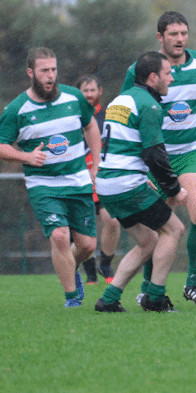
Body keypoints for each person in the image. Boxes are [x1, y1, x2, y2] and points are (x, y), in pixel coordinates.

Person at [121, 11, 196, 306]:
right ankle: (149, 287)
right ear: (160, 37)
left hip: (193, 152)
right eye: (173, 34)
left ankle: (192, 282)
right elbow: (126, 107)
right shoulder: (141, 68)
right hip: (155, 156)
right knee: (155, 226)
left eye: (184, 33)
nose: (180, 39)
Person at [0, 47, 101, 308]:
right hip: (44, 185)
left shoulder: (74, 98)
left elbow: (91, 127)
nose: (50, 75)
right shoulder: (17, 109)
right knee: (60, 237)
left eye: (53, 70)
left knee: (87, 245)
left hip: (77, 180)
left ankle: (70, 267)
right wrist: (26, 157)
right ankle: (72, 298)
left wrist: (96, 165)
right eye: (44, 71)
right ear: (31, 73)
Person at [94, 52, 188, 313]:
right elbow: (154, 155)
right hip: (125, 183)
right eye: (167, 73)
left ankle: (109, 300)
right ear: (153, 77)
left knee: (148, 240)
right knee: (174, 230)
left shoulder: (119, 99)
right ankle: (155, 298)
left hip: (107, 183)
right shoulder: (149, 105)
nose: (171, 78)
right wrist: (175, 189)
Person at [76, 74, 121, 285]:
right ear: (79, 93)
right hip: (78, 180)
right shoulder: (72, 117)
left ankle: (105, 262)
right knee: (83, 231)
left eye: (93, 90)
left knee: (112, 221)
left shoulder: (108, 116)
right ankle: (89, 274)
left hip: (102, 179)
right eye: (85, 90)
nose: (89, 94)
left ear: (100, 91)